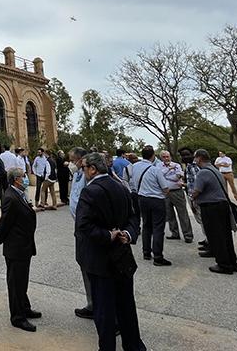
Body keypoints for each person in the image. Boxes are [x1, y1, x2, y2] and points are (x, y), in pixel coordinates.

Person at [76, 152, 146, 351]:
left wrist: (108, 235)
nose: (83, 172)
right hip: (122, 258)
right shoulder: (121, 187)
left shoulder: (90, 191)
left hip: (100, 260)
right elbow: (134, 218)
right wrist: (127, 233)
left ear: (92, 169)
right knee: (126, 307)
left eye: (84, 168)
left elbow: (83, 225)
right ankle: (134, 346)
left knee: (104, 312)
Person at [0, 166, 40, 332]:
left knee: (22, 280)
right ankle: (17, 317)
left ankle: (25, 307)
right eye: (24, 176)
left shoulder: (19, 194)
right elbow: (5, 222)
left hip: (24, 246)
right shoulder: (10, 197)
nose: (26, 178)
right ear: (16, 179)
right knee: (15, 283)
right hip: (16, 247)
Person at [191, 149, 237, 274]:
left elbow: (197, 190)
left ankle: (224, 264)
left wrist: (192, 196)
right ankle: (232, 262)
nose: (194, 160)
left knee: (216, 235)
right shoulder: (214, 170)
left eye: (195, 158)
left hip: (211, 207)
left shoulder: (203, 173)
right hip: (222, 205)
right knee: (225, 235)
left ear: (200, 158)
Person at [128, 146, 172, 266]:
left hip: (142, 198)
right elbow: (165, 188)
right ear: (153, 156)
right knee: (158, 227)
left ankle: (146, 252)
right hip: (156, 199)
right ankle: (158, 256)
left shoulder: (135, 166)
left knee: (146, 225)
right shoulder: (155, 169)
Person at [67, 148, 94, 320]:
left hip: (88, 227)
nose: (70, 163)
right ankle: (92, 304)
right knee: (84, 263)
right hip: (79, 226)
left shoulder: (88, 177)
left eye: (72, 160)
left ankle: (102, 308)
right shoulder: (77, 175)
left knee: (92, 266)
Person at [159, 151, 193, 244]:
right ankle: (174, 233)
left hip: (177, 191)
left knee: (183, 213)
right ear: (161, 158)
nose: (167, 158)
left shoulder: (176, 165)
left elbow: (177, 176)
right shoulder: (159, 166)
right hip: (166, 192)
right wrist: (169, 170)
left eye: (168, 156)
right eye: (164, 157)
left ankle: (188, 235)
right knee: (170, 214)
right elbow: (160, 176)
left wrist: (167, 176)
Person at [179, 147, 208, 251]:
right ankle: (207, 239)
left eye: (187, 154)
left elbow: (196, 184)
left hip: (196, 197)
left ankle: (210, 241)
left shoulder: (193, 166)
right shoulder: (189, 166)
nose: (185, 157)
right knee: (201, 219)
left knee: (203, 219)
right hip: (193, 196)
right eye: (183, 155)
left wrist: (184, 184)